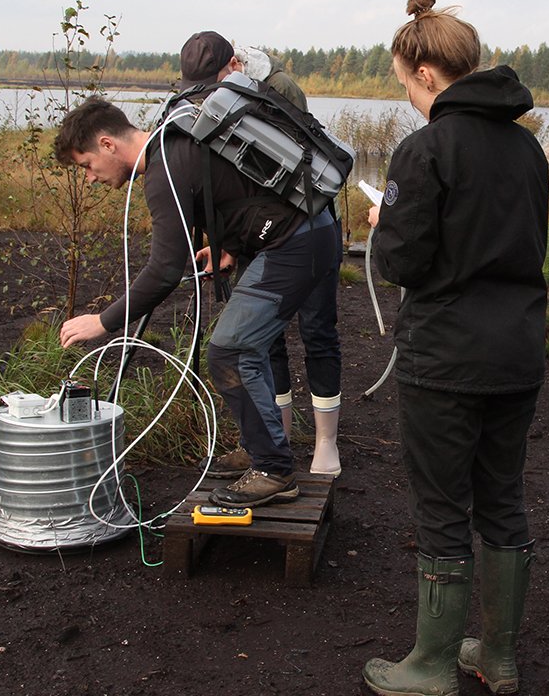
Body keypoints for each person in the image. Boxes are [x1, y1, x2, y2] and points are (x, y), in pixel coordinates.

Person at [55, 33, 339, 509]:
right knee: (242, 344)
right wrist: (225, 247)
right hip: (306, 232)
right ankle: (263, 449)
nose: (90, 179)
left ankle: (273, 470)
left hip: (298, 244)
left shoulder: (164, 162)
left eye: (86, 165)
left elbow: (164, 270)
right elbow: (230, 188)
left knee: (230, 348)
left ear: (107, 144)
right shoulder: (177, 138)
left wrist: (102, 323)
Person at [361, 0, 549, 696]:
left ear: (428, 74)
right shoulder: (527, 147)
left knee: (442, 507)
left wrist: (389, 216)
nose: (407, 95)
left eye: (404, 82)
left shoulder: (427, 146)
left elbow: (405, 264)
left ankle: (433, 665)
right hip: (517, 353)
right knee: (503, 497)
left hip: (446, 360)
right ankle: (496, 656)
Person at [185, 36, 344, 479]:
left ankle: (326, 441)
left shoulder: (277, 90)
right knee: (263, 341)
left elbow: (293, 173)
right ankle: (278, 437)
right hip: (265, 239)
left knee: (318, 332)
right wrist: (233, 247)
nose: (206, 95)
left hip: (309, 226)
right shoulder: (219, 103)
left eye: (212, 83)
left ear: (234, 64)